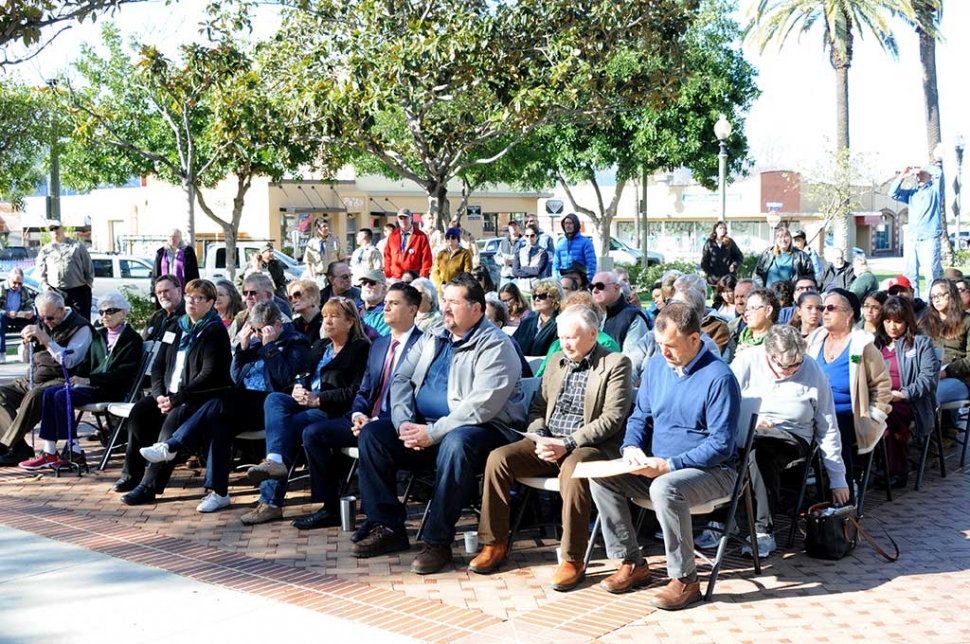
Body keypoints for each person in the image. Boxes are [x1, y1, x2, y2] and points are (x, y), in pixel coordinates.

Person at [351, 273, 528, 575]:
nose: (445, 308)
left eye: (454, 303)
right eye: (444, 301)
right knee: (373, 434)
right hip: (426, 428)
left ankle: (437, 541)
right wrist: (404, 423)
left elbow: (480, 407)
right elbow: (402, 378)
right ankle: (389, 527)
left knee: (458, 442)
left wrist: (432, 433)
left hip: (485, 431)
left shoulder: (496, 345)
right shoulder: (434, 335)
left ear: (477, 309)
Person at [589, 302, 740, 610]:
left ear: (695, 340)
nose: (664, 352)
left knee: (665, 487)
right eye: (659, 345)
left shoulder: (719, 378)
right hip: (657, 466)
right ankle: (632, 561)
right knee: (601, 477)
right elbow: (640, 416)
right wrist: (631, 448)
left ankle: (686, 579)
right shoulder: (657, 367)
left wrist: (671, 465)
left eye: (671, 346)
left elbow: (721, 445)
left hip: (713, 471)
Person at [471, 304, 632, 589]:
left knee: (574, 467)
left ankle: (572, 558)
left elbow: (612, 419)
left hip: (590, 446)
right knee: (498, 458)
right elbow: (538, 407)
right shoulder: (556, 359)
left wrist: (567, 443)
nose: (565, 343)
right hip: (549, 441)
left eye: (571, 337)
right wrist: (540, 435)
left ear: (593, 334)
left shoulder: (616, 363)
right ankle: (494, 543)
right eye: (561, 337)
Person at [135, 300, 311, 511]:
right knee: (220, 419)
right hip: (244, 404)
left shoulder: (296, 342)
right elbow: (235, 377)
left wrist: (270, 347)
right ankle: (218, 493)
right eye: (253, 329)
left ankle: (172, 446)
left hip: (273, 405)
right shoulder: (255, 341)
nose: (256, 334)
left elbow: (285, 380)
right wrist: (243, 349)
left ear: (277, 325)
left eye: (260, 329)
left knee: (219, 403)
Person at [281, 284, 424, 529]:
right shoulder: (379, 346)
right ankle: (330, 508)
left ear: (412, 310)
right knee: (313, 433)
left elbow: (420, 396)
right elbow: (364, 390)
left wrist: (376, 421)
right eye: (386, 302)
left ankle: (378, 518)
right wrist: (358, 413)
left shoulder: (424, 344)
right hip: (364, 418)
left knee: (369, 434)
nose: (386, 307)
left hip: (398, 422)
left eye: (394, 303)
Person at [232, 298, 369, 523]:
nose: (327, 321)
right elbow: (299, 376)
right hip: (305, 401)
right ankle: (274, 462)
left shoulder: (360, 350)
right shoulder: (321, 346)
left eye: (334, 316)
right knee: (275, 399)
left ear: (350, 322)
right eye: (325, 316)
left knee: (285, 429)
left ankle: (271, 502)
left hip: (332, 410)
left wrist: (320, 399)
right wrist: (297, 388)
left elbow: (356, 391)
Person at [729, 325, 849, 558]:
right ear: (768, 354)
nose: (791, 370)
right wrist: (754, 418)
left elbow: (828, 426)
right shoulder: (748, 360)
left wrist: (838, 477)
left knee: (758, 453)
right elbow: (726, 398)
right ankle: (721, 519)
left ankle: (764, 530)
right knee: (737, 446)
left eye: (797, 364)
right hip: (750, 431)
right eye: (785, 365)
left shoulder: (811, 370)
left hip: (793, 436)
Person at [111, 279, 232, 497]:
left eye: (198, 298)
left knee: (173, 418)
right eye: (189, 296)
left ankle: (149, 486)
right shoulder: (177, 326)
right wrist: (159, 396)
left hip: (199, 398)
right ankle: (131, 474)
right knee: (140, 411)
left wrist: (175, 399)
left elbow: (209, 374)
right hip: (168, 395)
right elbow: (157, 366)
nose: (191, 301)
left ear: (210, 303)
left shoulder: (214, 331)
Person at [20, 292, 143, 470]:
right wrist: (78, 377)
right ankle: (50, 452)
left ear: (124, 313)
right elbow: (86, 364)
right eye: (101, 312)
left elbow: (123, 374)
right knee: (49, 393)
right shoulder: (99, 336)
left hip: (112, 389)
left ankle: (75, 452)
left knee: (63, 396)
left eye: (110, 311)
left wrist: (88, 379)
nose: (104, 316)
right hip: (93, 387)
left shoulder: (132, 340)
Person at [805, 289, 891, 497]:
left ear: (849, 314)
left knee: (834, 428)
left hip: (849, 414)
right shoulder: (814, 342)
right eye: (822, 308)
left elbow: (882, 387)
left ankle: (844, 491)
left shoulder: (862, 346)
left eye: (831, 308)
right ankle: (798, 491)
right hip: (812, 411)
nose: (824, 312)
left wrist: (873, 416)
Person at [0, 291, 95, 466]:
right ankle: (18, 447)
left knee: (35, 395)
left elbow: (69, 360)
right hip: (33, 376)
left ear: (61, 310)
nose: (46, 322)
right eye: (42, 317)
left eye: (50, 317)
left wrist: (45, 340)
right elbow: (25, 358)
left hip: (61, 379)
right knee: (1, 393)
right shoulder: (42, 321)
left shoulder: (81, 328)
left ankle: (6, 445)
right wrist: (24, 342)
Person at [875, 296, 939, 489]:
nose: (892, 326)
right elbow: (855, 361)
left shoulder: (921, 344)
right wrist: (855, 351)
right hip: (877, 398)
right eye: (887, 321)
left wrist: (902, 394)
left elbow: (928, 379)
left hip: (909, 402)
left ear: (907, 321)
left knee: (889, 416)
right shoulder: (875, 344)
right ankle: (865, 467)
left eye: (898, 321)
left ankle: (897, 471)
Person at [918, 278, 970, 435]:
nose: (936, 300)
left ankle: (932, 441)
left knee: (929, 395)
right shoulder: (926, 322)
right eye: (933, 296)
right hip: (930, 374)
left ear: (952, 295)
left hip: (960, 378)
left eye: (941, 295)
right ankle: (921, 437)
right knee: (912, 391)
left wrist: (946, 372)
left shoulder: (966, 321)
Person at [891, 162, 944, 300]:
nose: (917, 177)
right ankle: (912, 304)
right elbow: (893, 193)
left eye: (920, 174)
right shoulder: (911, 193)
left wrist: (923, 167)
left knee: (931, 275)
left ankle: (932, 307)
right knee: (910, 275)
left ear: (928, 175)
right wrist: (903, 176)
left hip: (930, 238)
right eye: (915, 175)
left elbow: (939, 173)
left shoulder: (935, 190)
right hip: (913, 238)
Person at [36, 221, 94, 320]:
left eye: (56, 228)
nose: (54, 231)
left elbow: (88, 266)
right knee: (58, 322)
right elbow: (40, 271)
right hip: (57, 291)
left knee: (82, 321)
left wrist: (88, 283)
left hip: (78, 291)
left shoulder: (77, 246)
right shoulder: (45, 250)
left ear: (63, 229)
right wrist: (45, 286)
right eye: (51, 229)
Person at [590, 271, 649, 356]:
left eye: (600, 286)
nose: (594, 290)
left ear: (616, 288)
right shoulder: (589, 316)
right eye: (591, 287)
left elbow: (633, 358)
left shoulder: (632, 317)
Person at [229, 273, 288, 345]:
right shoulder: (241, 317)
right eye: (245, 293)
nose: (248, 297)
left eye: (252, 293)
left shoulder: (281, 317)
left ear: (268, 295)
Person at [513, 279, 563, 357]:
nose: (537, 299)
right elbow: (513, 345)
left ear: (554, 299)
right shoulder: (526, 323)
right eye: (534, 296)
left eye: (542, 296)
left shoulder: (561, 324)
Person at [383, 209, 432, 280]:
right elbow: (387, 257)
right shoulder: (393, 235)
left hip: (413, 278)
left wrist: (421, 278)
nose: (403, 220)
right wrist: (388, 276)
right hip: (395, 278)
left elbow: (427, 259)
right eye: (400, 218)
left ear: (411, 218)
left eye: (405, 218)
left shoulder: (420, 236)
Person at [0, 268, 34, 363]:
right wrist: (7, 312)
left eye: (20, 283)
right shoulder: (1, 288)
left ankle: (31, 351)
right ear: (8, 279)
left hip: (18, 315)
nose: (17, 286)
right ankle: (1, 353)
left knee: (35, 320)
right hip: (4, 315)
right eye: (15, 282)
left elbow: (29, 304)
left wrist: (29, 312)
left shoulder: (23, 290)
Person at [153, 228, 199, 296]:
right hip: (164, 289)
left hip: (184, 288)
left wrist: (195, 288)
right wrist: (153, 292)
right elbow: (155, 273)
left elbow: (194, 271)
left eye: (175, 237)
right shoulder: (161, 252)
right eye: (170, 237)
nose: (172, 239)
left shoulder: (188, 252)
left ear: (180, 238)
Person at [733, 288, 778, 358]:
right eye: (747, 310)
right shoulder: (740, 338)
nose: (746, 314)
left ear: (768, 310)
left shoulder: (781, 342)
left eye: (753, 308)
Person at [552, 214, 596, 284]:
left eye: (570, 223)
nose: (567, 226)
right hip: (563, 282)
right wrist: (558, 280)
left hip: (579, 281)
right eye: (566, 223)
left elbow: (591, 264)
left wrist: (587, 281)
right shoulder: (560, 243)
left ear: (576, 224)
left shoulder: (586, 242)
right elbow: (555, 265)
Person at [431, 227, 473, 294]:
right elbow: (435, 271)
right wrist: (441, 284)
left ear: (458, 239)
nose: (450, 239)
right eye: (448, 237)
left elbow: (467, 272)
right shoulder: (441, 253)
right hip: (443, 290)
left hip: (457, 290)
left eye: (453, 237)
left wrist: (457, 285)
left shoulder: (465, 253)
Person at [700, 221, 743, 286]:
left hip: (728, 278)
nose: (722, 230)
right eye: (720, 228)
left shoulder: (729, 241)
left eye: (724, 228)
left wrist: (734, 265)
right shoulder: (709, 242)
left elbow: (739, 256)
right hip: (714, 279)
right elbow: (705, 259)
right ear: (715, 229)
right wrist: (708, 271)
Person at [143, 275, 185, 341]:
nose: (162, 295)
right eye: (159, 292)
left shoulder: (189, 316)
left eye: (166, 291)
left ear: (179, 290)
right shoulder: (155, 317)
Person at [303, 218, 343, 284]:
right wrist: (312, 277)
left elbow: (342, 258)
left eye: (327, 226)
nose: (327, 228)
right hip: (320, 277)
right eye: (324, 226)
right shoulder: (312, 243)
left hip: (334, 275)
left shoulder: (335, 241)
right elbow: (308, 261)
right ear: (317, 229)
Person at [512, 224, 549, 293]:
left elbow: (537, 271)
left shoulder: (543, 253)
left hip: (538, 288)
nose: (529, 238)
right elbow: (515, 272)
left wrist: (523, 268)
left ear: (537, 236)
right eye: (527, 236)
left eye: (532, 235)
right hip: (522, 288)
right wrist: (530, 271)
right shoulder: (519, 252)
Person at [357, 269, 390, 337]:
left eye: (372, 283)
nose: (367, 286)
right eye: (364, 283)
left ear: (384, 288)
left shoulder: (386, 314)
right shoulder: (353, 307)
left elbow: (380, 341)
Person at [523, 213, 555, 278]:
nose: (529, 223)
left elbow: (551, 259)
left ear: (537, 223)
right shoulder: (522, 240)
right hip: (525, 279)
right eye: (526, 222)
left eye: (531, 221)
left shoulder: (546, 238)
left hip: (542, 277)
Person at [495, 221, 522, 286]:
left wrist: (514, 261)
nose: (513, 227)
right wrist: (504, 261)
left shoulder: (523, 242)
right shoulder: (503, 242)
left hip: (518, 278)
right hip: (504, 278)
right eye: (511, 226)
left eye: (515, 226)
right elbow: (497, 257)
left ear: (519, 228)